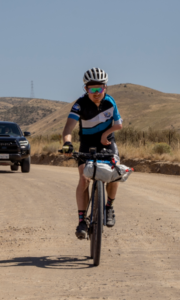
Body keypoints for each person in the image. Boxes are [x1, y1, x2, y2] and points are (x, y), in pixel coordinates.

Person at [62, 68, 123, 239]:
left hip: (107, 143)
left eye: (100, 89)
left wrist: (105, 134)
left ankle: (109, 207)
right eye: (92, 89)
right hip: (87, 144)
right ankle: (82, 221)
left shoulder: (110, 102)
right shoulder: (79, 104)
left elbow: (119, 124)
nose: (96, 93)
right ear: (86, 89)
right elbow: (68, 128)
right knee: (84, 178)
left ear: (105, 88)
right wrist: (67, 143)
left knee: (115, 172)